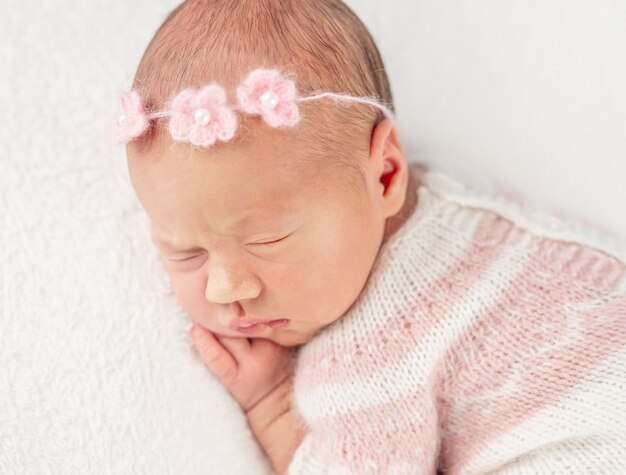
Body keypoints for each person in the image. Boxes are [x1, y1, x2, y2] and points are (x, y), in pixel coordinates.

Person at [113, 0, 626, 473]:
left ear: (385, 173)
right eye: (186, 251)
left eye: (267, 240)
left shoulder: (366, 357)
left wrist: (272, 405)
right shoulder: (448, 190)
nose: (225, 288)